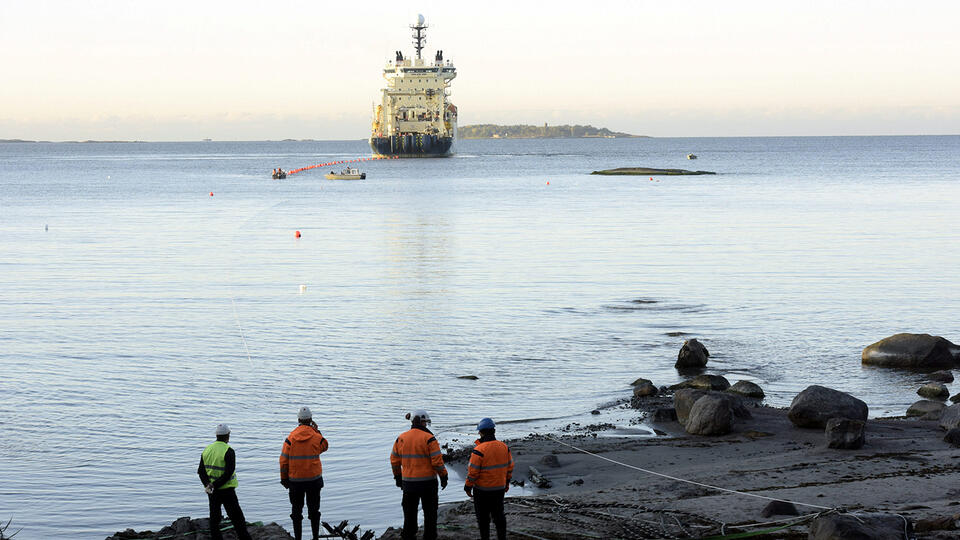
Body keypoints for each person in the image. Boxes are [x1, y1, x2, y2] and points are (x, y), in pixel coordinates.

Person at [390, 409, 448, 540]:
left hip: (409, 484)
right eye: (425, 423)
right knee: (430, 516)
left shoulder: (401, 438)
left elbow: (394, 460)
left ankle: (409, 536)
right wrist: (444, 477)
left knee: (409, 517)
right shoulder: (429, 438)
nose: (426, 425)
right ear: (422, 422)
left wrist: (398, 477)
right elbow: (437, 462)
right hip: (428, 484)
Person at [279, 406, 329, 540]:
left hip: (295, 481)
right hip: (314, 480)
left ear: (298, 419)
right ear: (311, 420)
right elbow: (325, 446)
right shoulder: (316, 436)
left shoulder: (290, 438)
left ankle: (298, 538)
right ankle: (315, 537)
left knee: (296, 511)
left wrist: (284, 479)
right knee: (314, 511)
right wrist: (317, 430)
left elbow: (283, 461)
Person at [198, 424, 253, 540]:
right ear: (227, 436)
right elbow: (228, 473)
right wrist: (215, 484)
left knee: (214, 518)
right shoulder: (229, 451)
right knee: (237, 518)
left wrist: (208, 485)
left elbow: (201, 472)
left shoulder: (207, 450)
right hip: (227, 491)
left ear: (217, 435)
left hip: (212, 491)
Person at [464, 418, 514, 540]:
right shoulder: (504, 447)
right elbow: (510, 467)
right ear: (493, 431)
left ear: (481, 432)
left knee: (483, 519)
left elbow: (473, 473)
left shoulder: (479, 450)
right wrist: (506, 483)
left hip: (482, 491)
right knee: (499, 516)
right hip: (499, 489)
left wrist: (467, 486)